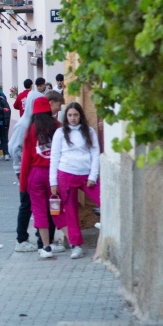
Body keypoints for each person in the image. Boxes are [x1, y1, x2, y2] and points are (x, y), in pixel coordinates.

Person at [50, 102, 100, 259]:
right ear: (66, 117)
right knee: (70, 211)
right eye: (70, 115)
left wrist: (93, 176)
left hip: (86, 176)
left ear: (80, 116)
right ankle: (75, 245)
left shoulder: (89, 131)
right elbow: (55, 157)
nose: (73, 118)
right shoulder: (60, 133)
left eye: (75, 115)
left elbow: (95, 154)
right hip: (66, 174)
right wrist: (53, 182)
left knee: (103, 199)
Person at [20, 97, 63, 258]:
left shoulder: (31, 129)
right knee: (57, 210)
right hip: (55, 174)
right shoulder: (57, 127)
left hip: (36, 174)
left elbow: (25, 160)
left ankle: (45, 247)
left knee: (39, 211)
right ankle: (73, 242)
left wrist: (23, 185)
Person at [9, 77, 47, 173]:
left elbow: (15, 106)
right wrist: (24, 162)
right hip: (24, 168)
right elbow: (14, 148)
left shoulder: (38, 122)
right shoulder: (23, 125)